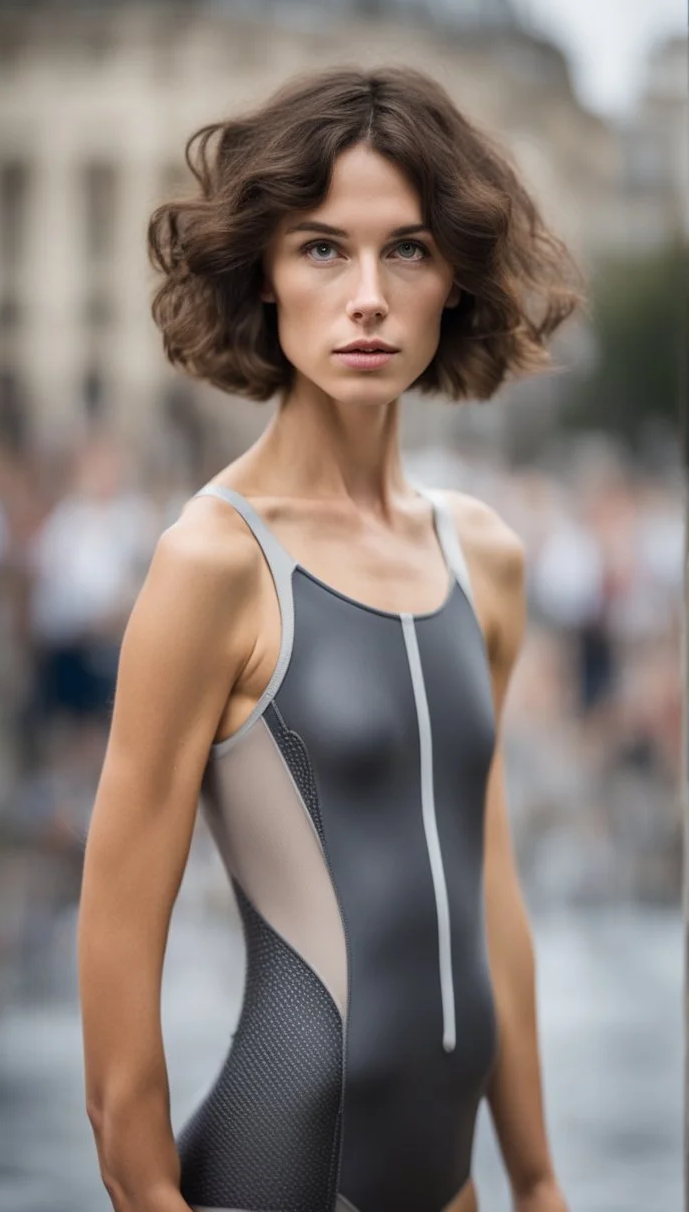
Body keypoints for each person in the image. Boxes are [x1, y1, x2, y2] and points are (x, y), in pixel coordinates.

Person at [77, 66, 583, 1212]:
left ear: (455, 276)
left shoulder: (484, 556)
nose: (367, 296)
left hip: (451, 1183)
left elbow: (487, 890)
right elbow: (114, 994)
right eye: (322, 248)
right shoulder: (213, 564)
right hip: (280, 1178)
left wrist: (540, 1176)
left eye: (406, 248)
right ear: (265, 270)